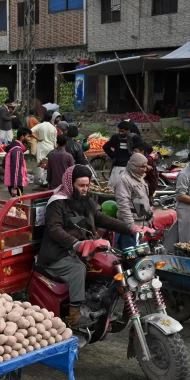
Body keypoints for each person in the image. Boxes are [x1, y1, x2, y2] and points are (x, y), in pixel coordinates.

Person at [37, 165, 138, 327]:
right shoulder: (57, 203)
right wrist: (77, 243)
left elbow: (102, 218)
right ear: (71, 184)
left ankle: (102, 303)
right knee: (78, 269)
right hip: (58, 254)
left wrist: (131, 229)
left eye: (87, 185)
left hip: (85, 250)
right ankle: (75, 315)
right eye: (81, 185)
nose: (85, 189)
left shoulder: (86, 202)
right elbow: (54, 229)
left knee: (113, 262)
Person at [114, 153, 152, 250]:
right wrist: (132, 227)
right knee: (131, 257)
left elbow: (141, 200)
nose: (145, 169)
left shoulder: (139, 177)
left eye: (145, 166)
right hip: (130, 227)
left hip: (142, 223)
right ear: (134, 166)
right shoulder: (124, 180)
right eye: (142, 166)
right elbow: (123, 206)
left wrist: (149, 217)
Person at [103, 121, 139, 190]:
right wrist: (113, 156)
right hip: (117, 166)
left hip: (129, 166)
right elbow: (105, 147)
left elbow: (144, 147)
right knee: (114, 186)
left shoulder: (134, 138)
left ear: (128, 131)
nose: (121, 133)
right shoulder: (115, 138)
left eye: (123, 131)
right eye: (120, 131)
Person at [31, 113, 57, 186]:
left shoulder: (40, 125)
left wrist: (37, 138)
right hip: (51, 147)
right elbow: (55, 141)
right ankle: (48, 179)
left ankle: (42, 180)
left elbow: (30, 131)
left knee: (40, 163)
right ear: (50, 119)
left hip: (41, 146)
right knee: (49, 163)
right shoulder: (53, 127)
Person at [4, 127, 31, 197]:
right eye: (28, 136)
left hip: (14, 183)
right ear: (22, 137)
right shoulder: (17, 150)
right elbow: (16, 169)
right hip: (16, 184)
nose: (29, 139)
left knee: (18, 206)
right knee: (19, 206)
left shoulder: (14, 148)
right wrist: (14, 187)